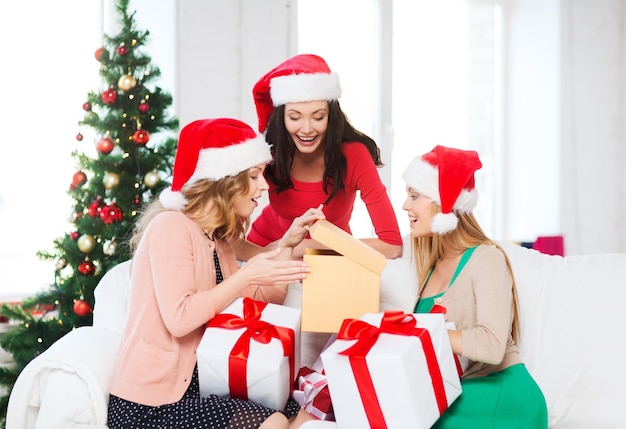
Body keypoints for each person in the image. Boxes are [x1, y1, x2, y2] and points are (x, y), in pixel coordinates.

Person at [107, 118, 323, 429]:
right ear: (225, 181)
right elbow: (179, 319)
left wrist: (287, 245)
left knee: (299, 405)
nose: (264, 186)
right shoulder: (171, 227)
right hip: (147, 405)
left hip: (201, 385)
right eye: (253, 176)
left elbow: (263, 303)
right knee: (274, 421)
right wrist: (244, 277)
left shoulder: (218, 239)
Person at [401, 145, 548, 428]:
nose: (405, 206)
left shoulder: (485, 258)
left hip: (502, 395)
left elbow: (492, 347)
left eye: (414, 196)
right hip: (460, 392)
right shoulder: (428, 265)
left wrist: (419, 330)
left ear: (441, 202)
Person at [237, 53, 402, 260]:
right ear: (282, 118)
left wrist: (299, 247)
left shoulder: (354, 156)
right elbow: (224, 235)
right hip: (266, 247)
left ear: (331, 116)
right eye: (295, 117)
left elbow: (392, 245)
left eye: (318, 117)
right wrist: (274, 253)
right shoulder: (269, 151)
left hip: (328, 257)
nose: (307, 129)